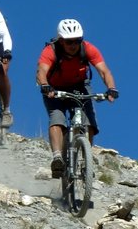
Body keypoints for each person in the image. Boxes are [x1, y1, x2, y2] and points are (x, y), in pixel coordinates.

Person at [36, 18, 118, 177]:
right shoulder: (51, 51)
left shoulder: (88, 49)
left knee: (90, 123)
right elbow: (41, 71)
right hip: (54, 89)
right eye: (69, 42)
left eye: (77, 41)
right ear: (61, 41)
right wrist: (46, 87)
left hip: (79, 86)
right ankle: (57, 158)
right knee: (57, 119)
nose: (73, 45)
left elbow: (104, 71)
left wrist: (111, 88)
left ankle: (85, 161)